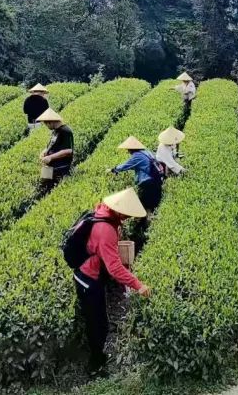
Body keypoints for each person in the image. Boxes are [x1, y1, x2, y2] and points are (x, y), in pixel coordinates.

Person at [71, 188, 152, 376]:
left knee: (99, 319)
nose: (128, 217)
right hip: (88, 279)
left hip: (91, 273)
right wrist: (138, 285)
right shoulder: (105, 229)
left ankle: (97, 356)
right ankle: (95, 366)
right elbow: (114, 268)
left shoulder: (103, 212)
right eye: (127, 214)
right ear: (119, 211)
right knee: (97, 324)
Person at [110, 136, 164, 215]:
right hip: (157, 179)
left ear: (130, 149)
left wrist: (113, 170)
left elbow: (125, 166)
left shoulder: (136, 156)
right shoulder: (147, 152)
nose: (128, 151)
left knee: (146, 207)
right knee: (154, 204)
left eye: (128, 149)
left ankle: (148, 222)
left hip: (148, 183)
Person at [38, 107, 74, 189]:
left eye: (46, 124)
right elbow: (51, 145)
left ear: (51, 122)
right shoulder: (55, 131)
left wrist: (50, 157)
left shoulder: (65, 131)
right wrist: (44, 152)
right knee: (44, 187)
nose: (46, 126)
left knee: (53, 188)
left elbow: (68, 151)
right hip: (49, 166)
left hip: (59, 168)